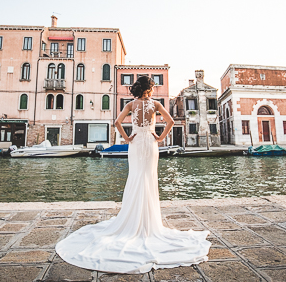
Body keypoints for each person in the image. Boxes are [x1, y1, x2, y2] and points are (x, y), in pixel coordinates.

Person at [55, 76, 210, 274]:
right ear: (149, 89)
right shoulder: (155, 104)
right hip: (151, 143)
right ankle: (149, 222)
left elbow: (117, 122)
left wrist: (128, 138)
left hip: (136, 144)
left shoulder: (130, 104)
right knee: (149, 179)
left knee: (136, 177)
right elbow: (170, 121)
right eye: (152, 87)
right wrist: (160, 137)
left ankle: (132, 219)